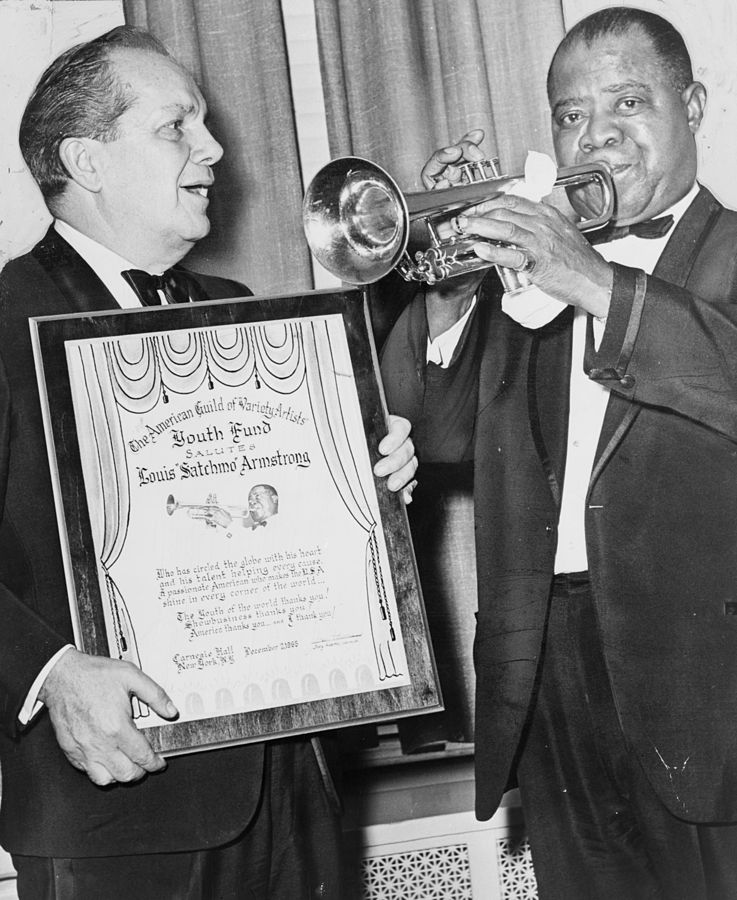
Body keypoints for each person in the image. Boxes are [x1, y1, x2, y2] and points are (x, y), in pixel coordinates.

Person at [0, 25, 417, 900]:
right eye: (176, 127)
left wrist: (369, 485)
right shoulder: (3, 319)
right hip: (117, 812)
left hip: (292, 796)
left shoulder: (237, 311)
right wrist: (51, 672)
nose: (216, 148)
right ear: (89, 160)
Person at [381, 7, 737, 898]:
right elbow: (435, 434)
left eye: (627, 102)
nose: (597, 137)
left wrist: (588, 278)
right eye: (571, 115)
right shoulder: (527, 284)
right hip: (548, 670)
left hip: (708, 684)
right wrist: (451, 289)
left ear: (691, 105)